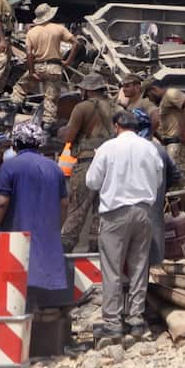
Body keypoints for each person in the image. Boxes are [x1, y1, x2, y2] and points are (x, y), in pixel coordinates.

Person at [86, 110, 164, 342]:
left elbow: (92, 181)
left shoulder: (108, 148)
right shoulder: (150, 148)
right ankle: (136, 319)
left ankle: (112, 322)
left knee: (112, 269)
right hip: (143, 211)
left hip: (115, 213)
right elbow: (158, 180)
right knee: (139, 266)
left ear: (116, 125)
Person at [0, 121, 68, 310]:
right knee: (41, 295)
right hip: (47, 242)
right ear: (39, 143)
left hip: (17, 242)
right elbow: (64, 204)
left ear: (15, 143)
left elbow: (0, 202)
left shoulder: (10, 166)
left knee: (15, 297)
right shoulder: (55, 168)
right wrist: (55, 228)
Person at [60, 72, 117, 251]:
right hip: (110, 164)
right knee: (101, 210)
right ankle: (96, 249)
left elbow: (69, 136)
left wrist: (60, 131)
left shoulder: (82, 108)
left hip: (87, 162)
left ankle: (64, 248)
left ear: (87, 90)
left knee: (77, 209)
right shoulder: (116, 108)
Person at [128, 108, 182, 265]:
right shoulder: (159, 150)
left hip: (125, 214)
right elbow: (176, 177)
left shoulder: (121, 149)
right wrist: (162, 188)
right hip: (153, 213)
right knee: (152, 261)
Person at [12, 3, 76, 121]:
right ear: (50, 15)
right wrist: (68, 61)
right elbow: (76, 43)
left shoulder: (32, 32)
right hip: (54, 68)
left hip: (38, 67)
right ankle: (47, 126)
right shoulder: (59, 28)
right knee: (51, 99)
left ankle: (12, 112)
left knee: (20, 89)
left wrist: (31, 72)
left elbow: (29, 53)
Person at [145, 79, 185, 179]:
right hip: (169, 145)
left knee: (175, 182)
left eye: (149, 95)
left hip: (177, 145)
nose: (149, 99)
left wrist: (184, 131)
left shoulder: (171, 93)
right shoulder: (163, 102)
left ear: (154, 89)